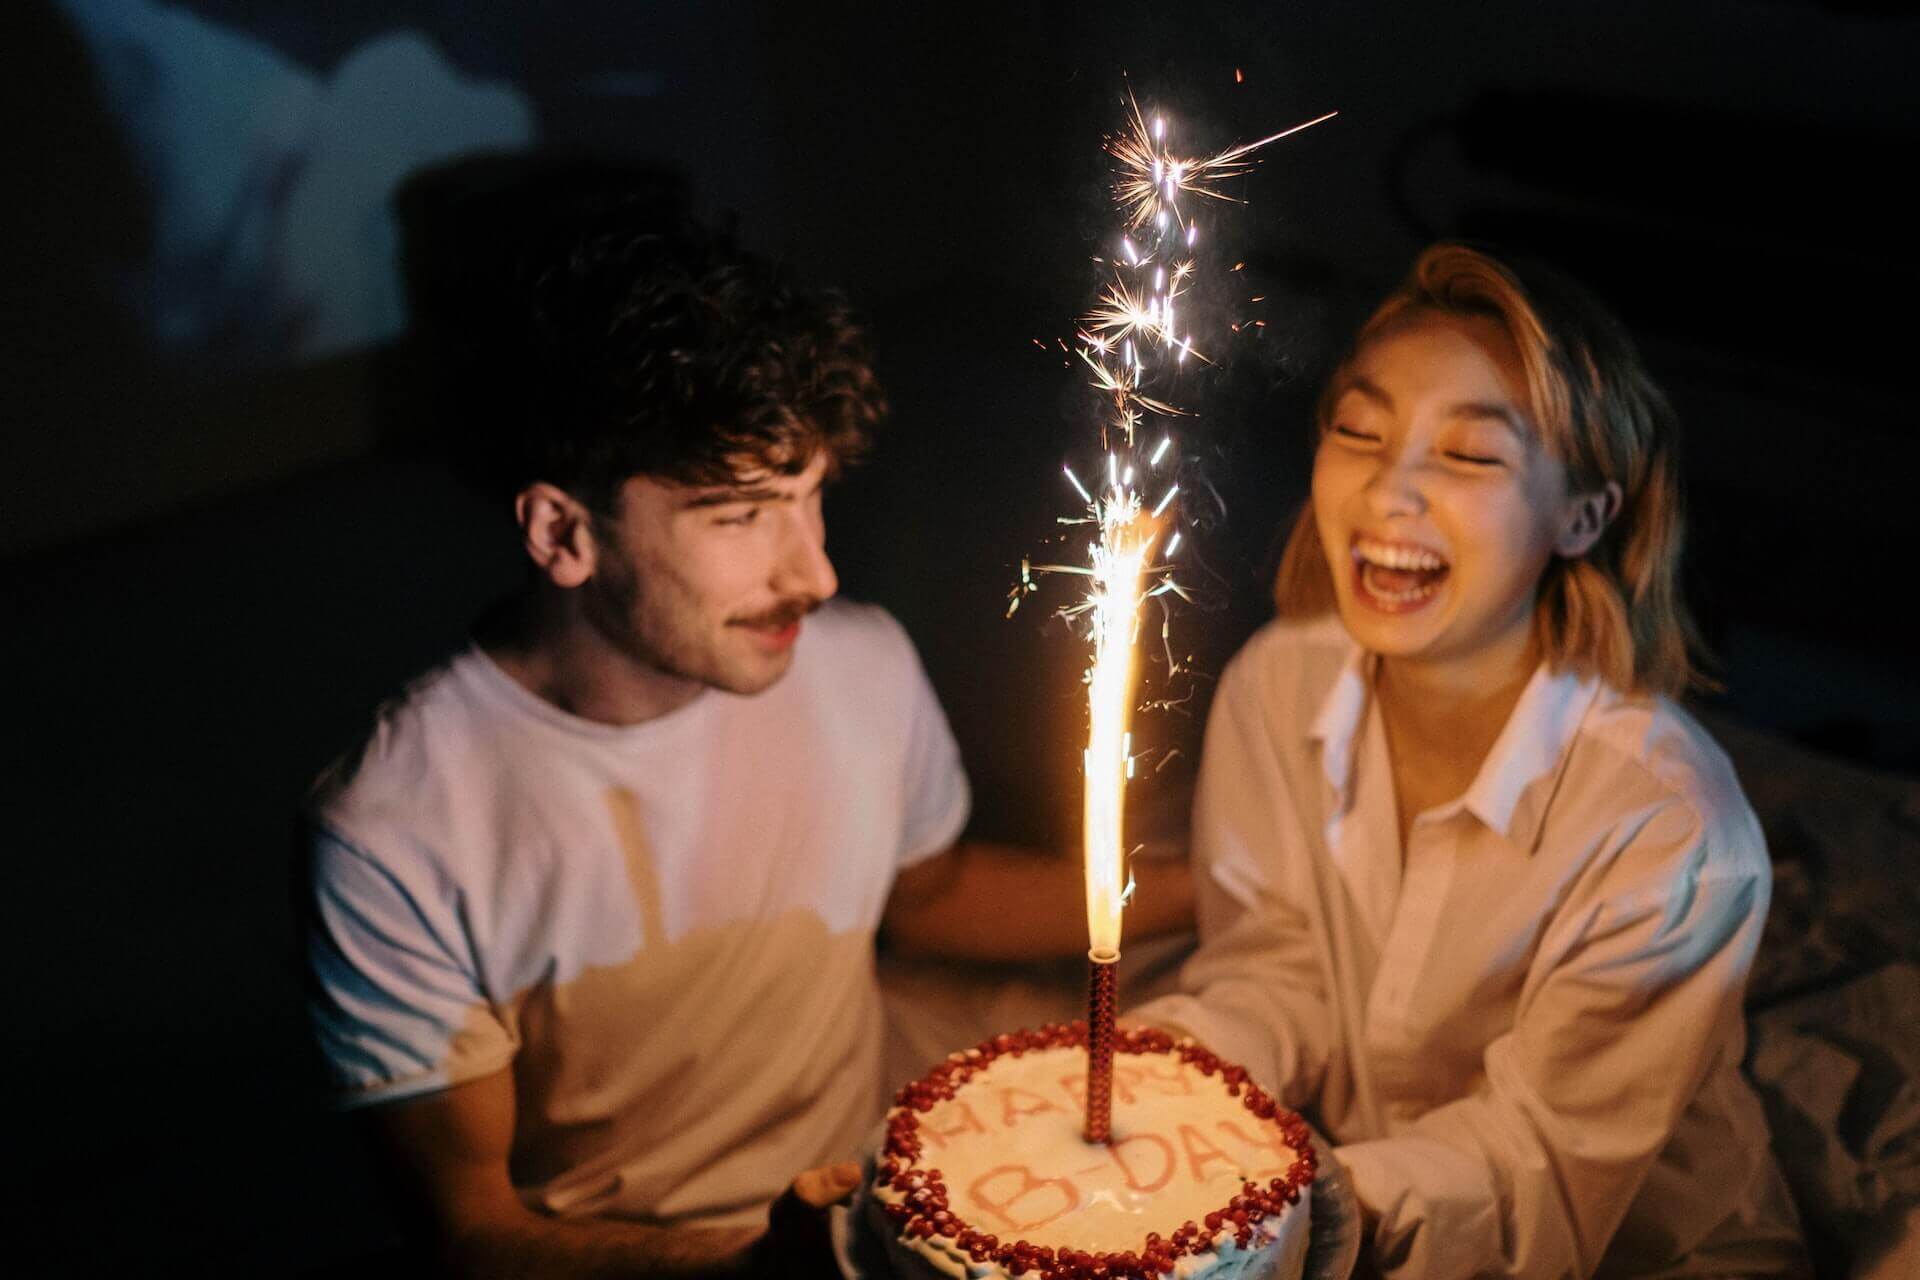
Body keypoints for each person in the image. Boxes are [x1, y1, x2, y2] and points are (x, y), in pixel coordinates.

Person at [302, 200, 1194, 1277]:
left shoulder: (859, 661)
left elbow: (931, 890)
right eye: (738, 515)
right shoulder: (396, 826)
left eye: (810, 497)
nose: (812, 573)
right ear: (562, 531)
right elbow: (474, 1230)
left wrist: (1217, 880)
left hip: (880, 1201)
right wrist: (763, 1264)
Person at [1137, 244, 1806, 1277]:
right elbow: (1276, 966)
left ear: (1583, 513)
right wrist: (1160, 1077)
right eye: (1358, 431)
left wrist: (1304, 1201)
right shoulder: (1278, 685)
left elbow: (1533, 1164)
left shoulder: (1671, 831)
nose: (1388, 487)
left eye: (1470, 455)